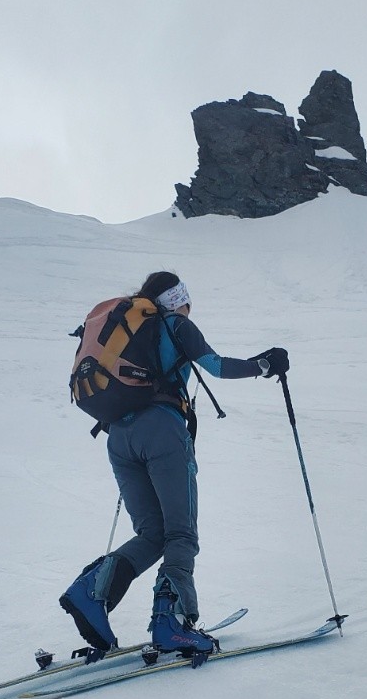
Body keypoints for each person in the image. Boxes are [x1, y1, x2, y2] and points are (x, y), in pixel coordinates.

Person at [61, 270, 289, 662]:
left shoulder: (128, 331)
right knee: (180, 533)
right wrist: (265, 365)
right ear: (178, 299)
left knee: (152, 533)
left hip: (119, 437)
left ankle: (91, 592)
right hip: (162, 433)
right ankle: (172, 622)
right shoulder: (175, 324)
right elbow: (217, 366)